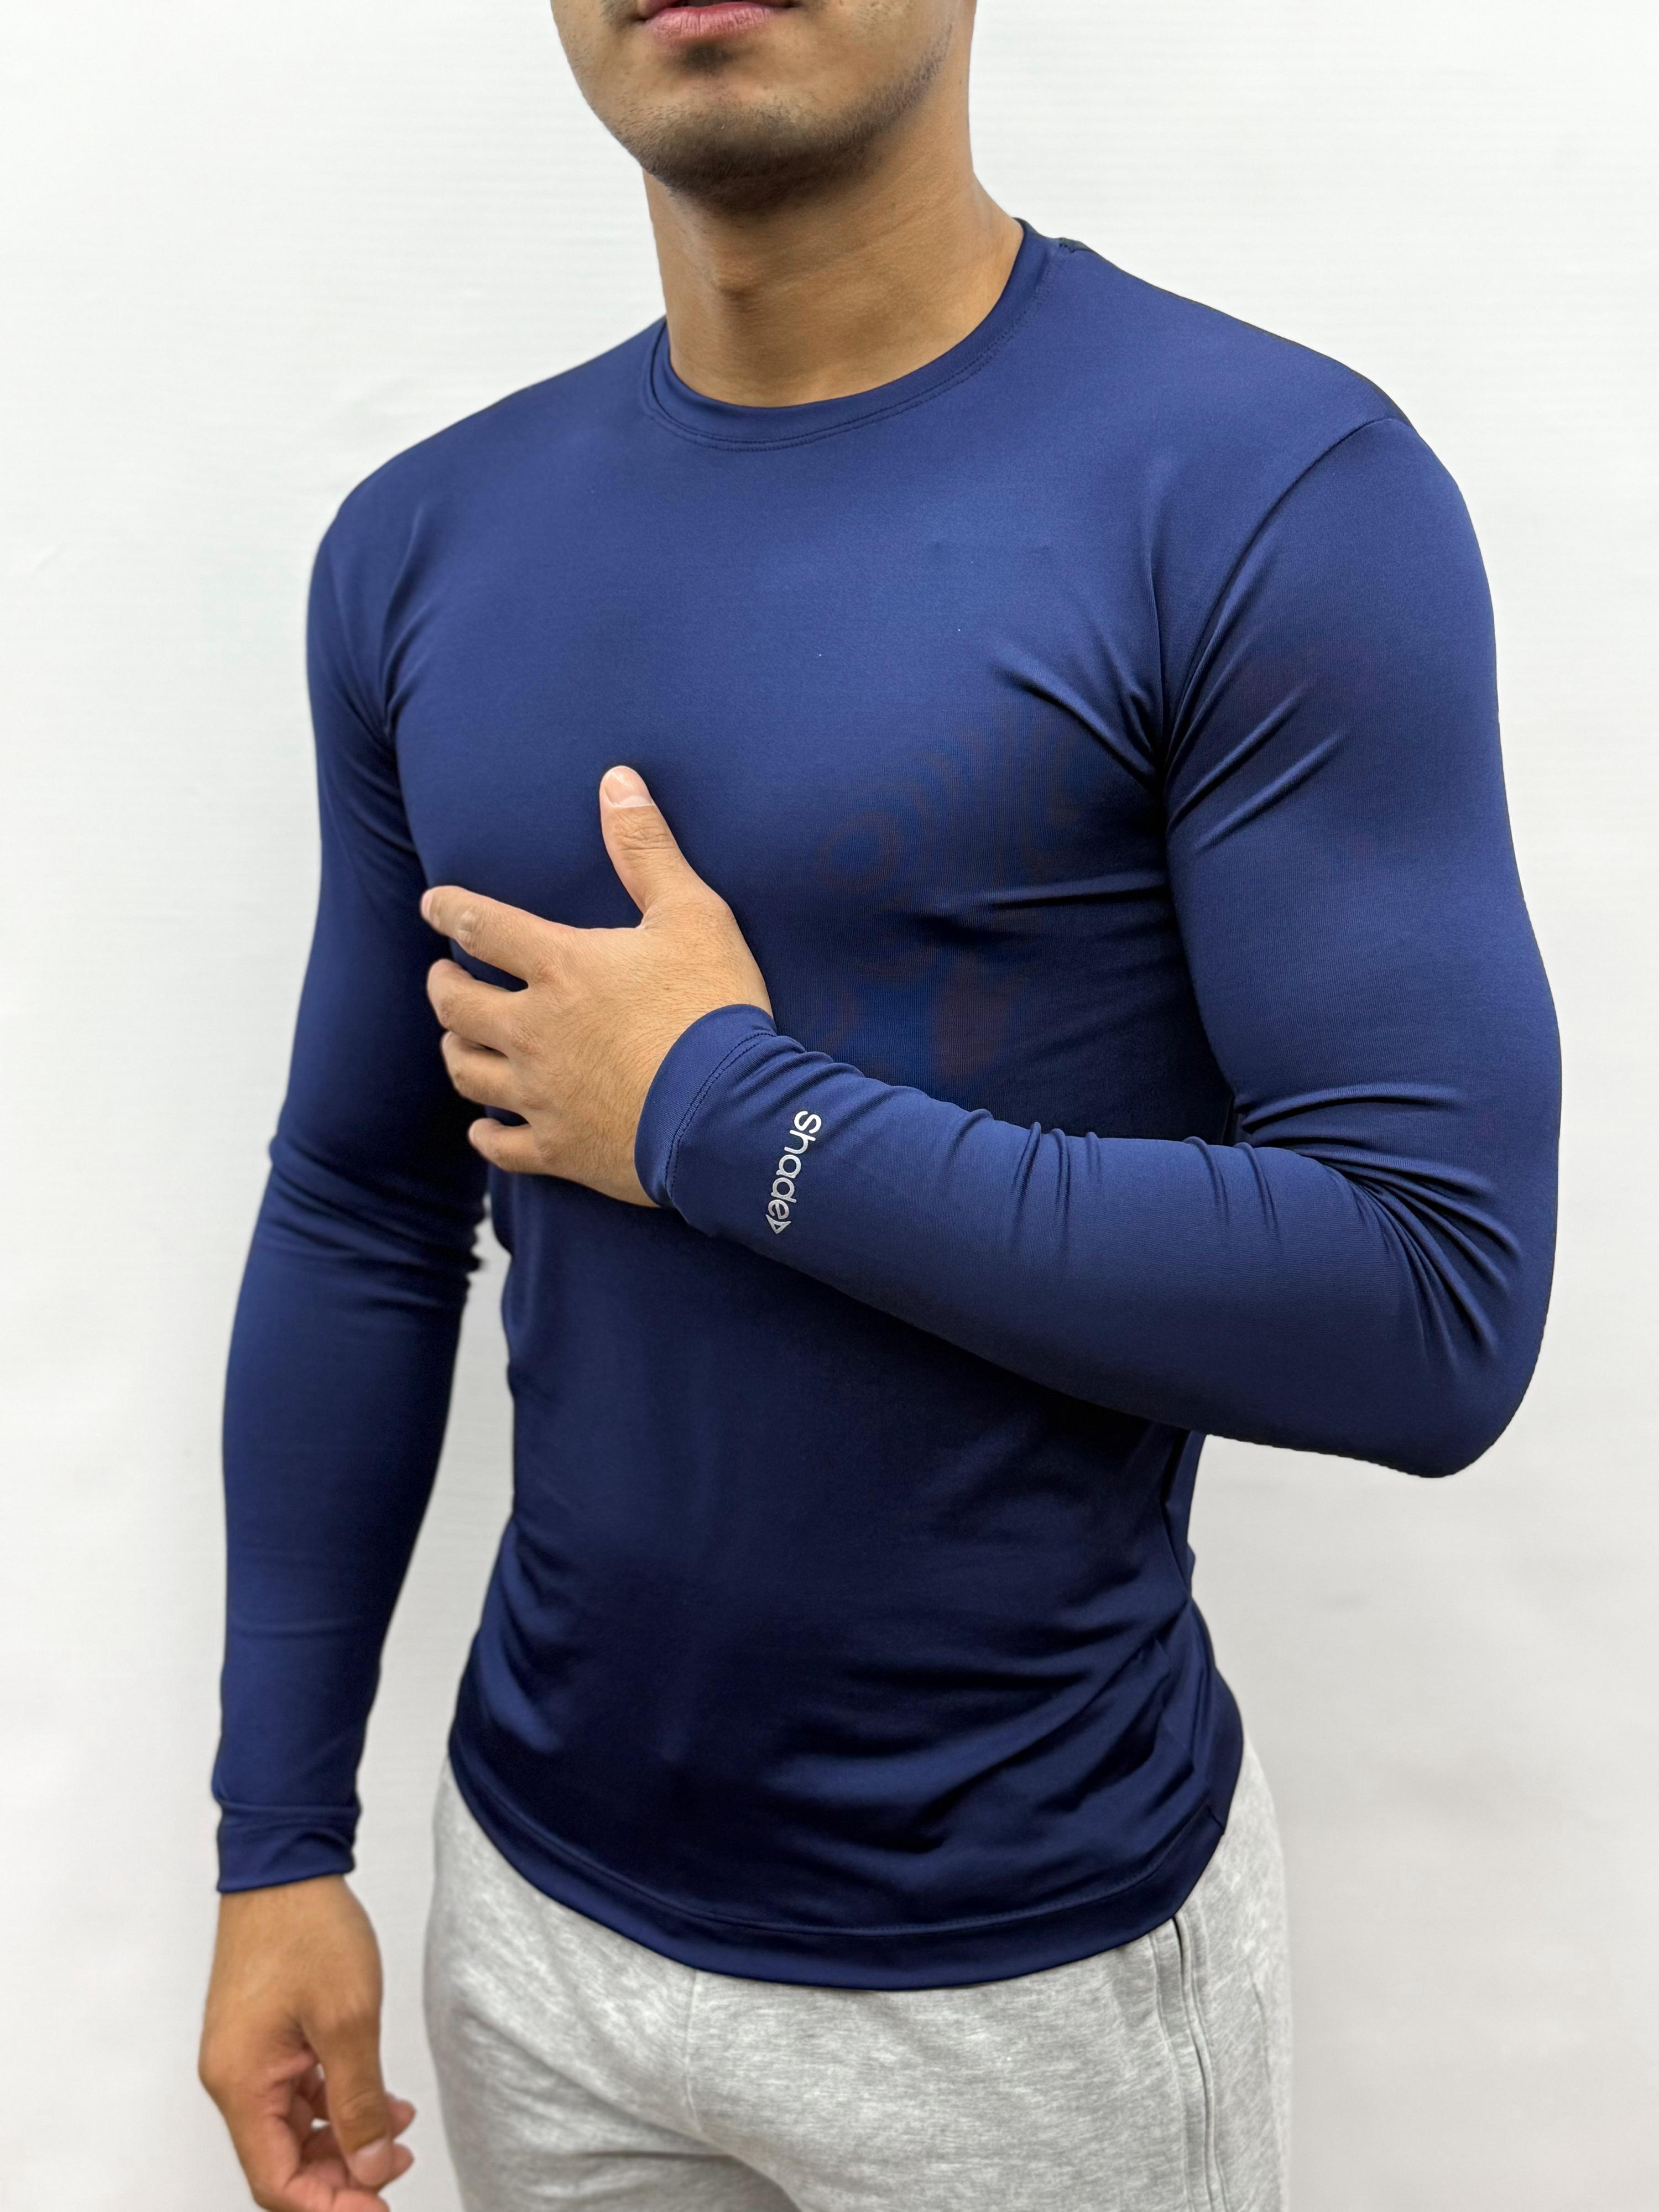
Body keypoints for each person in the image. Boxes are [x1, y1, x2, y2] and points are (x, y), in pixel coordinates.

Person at [196, 1, 1561, 2205]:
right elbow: (362, 1203)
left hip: (1029, 1984)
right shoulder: (425, 539)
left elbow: (1431, 1301)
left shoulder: (1267, 491)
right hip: (540, 1930)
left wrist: (719, 1112)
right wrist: (279, 1836)